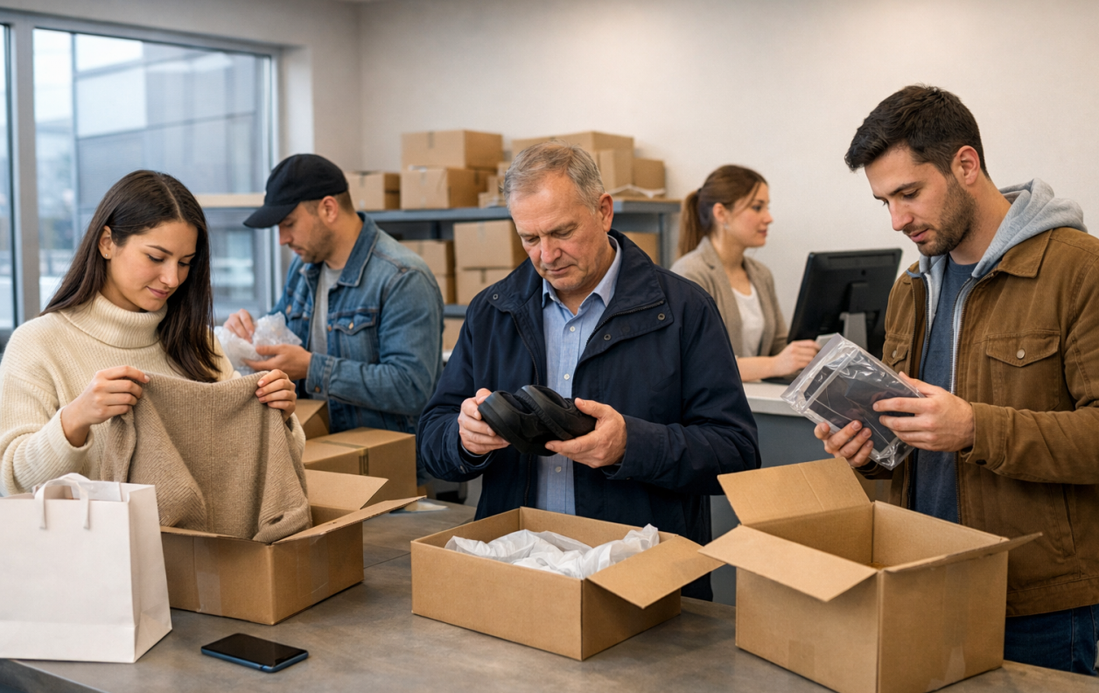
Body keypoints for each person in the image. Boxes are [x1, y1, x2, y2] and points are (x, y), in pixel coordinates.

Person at [817, 85, 1099, 674]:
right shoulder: (911, 287)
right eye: (884, 201)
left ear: (965, 165)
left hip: (1033, 600)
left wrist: (976, 428)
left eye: (909, 193)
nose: (897, 220)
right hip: (920, 578)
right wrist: (867, 452)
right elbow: (910, 441)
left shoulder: (1085, 271)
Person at [416, 143, 760, 600]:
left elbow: (736, 453)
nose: (547, 255)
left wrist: (631, 445)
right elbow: (431, 439)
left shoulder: (683, 310)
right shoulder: (492, 310)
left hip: (642, 583)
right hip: (520, 575)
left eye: (562, 232)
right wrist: (463, 438)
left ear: (603, 211)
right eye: (529, 238)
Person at [0, 170, 296, 496]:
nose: (172, 279)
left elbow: (258, 472)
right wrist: (74, 419)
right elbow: (11, 481)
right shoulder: (37, 344)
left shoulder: (199, 343)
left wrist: (278, 416)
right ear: (107, 243)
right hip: (90, 532)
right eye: (156, 257)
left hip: (203, 532)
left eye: (185, 262)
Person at [224, 154, 444, 439]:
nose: (282, 239)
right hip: (316, 443)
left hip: (382, 456)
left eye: (289, 223)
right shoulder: (302, 268)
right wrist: (248, 333)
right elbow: (281, 337)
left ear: (328, 209)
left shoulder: (403, 277)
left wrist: (311, 368)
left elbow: (411, 388)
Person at [672, 166, 818, 382]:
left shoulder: (761, 274)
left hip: (758, 397)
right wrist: (774, 365)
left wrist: (808, 356)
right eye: (757, 207)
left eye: (767, 207)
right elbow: (698, 364)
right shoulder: (689, 273)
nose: (768, 218)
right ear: (721, 213)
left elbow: (779, 348)